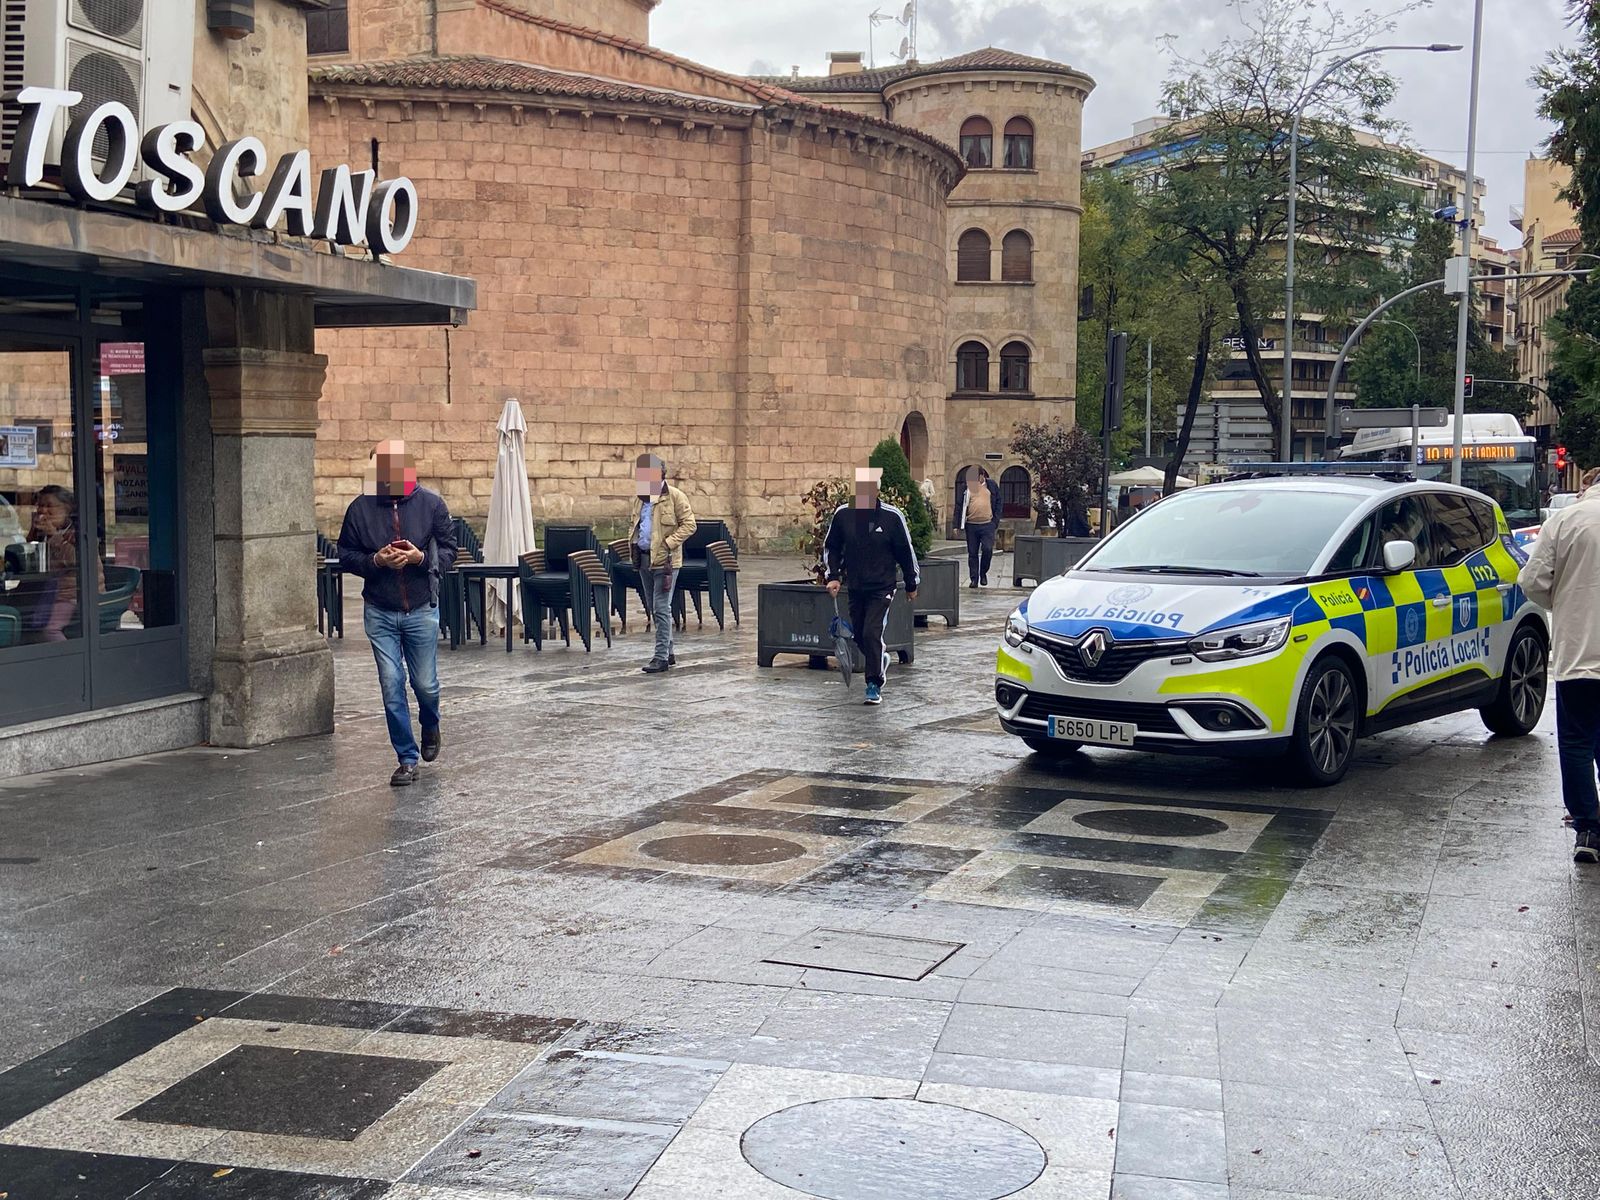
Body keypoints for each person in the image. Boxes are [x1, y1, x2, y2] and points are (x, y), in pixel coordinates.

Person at [338, 439, 456, 787]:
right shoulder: (359, 509)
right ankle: (406, 758)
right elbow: (345, 553)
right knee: (391, 684)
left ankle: (430, 722)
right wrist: (376, 560)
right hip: (380, 609)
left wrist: (420, 558)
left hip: (420, 606)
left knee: (426, 684)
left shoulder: (431, 504)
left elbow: (450, 551)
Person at [1519, 464, 1600, 862]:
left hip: (1580, 653)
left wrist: (1563, 603)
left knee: (1576, 741)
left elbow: (1532, 580)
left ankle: (1587, 828)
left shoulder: (1566, 521)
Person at [823, 467, 919, 706]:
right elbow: (832, 547)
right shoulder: (843, 515)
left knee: (871, 632)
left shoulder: (892, 517)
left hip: (882, 586)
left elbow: (906, 552)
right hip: (856, 586)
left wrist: (911, 582)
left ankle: (873, 683)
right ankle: (880, 659)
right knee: (860, 635)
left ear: (876, 491)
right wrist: (833, 576)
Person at [627, 453, 696, 673]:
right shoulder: (640, 498)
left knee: (661, 607)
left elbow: (689, 525)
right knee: (653, 607)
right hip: (644, 558)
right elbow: (636, 525)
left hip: (666, 562)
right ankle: (669, 650)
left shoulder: (675, 496)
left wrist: (669, 543)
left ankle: (660, 657)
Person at [956, 466, 1002, 589]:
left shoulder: (991, 485)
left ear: (982, 476)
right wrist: (957, 525)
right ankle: (974, 579)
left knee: (987, 549)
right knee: (972, 553)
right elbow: (959, 505)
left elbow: (998, 502)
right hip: (971, 525)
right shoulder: (966, 487)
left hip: (987, 524)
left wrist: (995, 521)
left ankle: (983, 573)